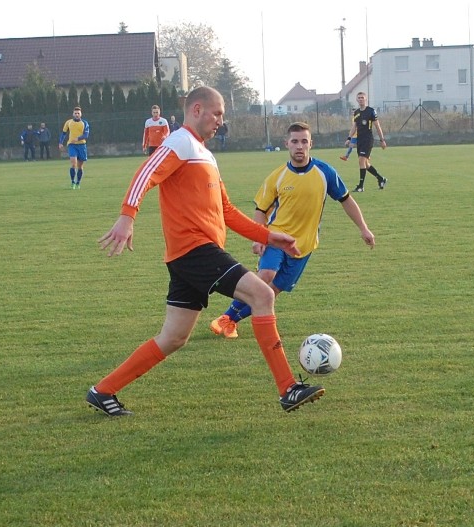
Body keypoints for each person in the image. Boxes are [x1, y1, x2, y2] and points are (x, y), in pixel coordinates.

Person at [87, 87, 324, 417]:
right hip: (196, 250)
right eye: (217, 114)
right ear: (196, 109)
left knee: (173, 338)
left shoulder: (205, 155)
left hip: (188, 257)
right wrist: (127, 217)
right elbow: (144, 173)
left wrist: (269, 236)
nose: (220, 121)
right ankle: (288, 388)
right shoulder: (179, 142)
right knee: (262, 295)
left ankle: (103, 390)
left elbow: (226, 210)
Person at [210, 122, 375, 339]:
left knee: (272, 292)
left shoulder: (325, 172)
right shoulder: (277, 177)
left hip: (304, 247)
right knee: (266, 274)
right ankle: (225, 318)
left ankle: (231, 319)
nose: (299, 146)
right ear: (286, 144)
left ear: (311, 144)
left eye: (304, 141)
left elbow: (346, 200)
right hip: (277, 238)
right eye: (295, 141)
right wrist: (258, 238)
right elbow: (261, 209)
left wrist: (364, 228)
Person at [345, 92, 388, 192]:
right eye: (359, 98)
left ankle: (361, 186)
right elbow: (354, 127)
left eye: (362, 98)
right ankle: (381, 179)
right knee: (366, 164)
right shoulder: (356, 113)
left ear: (366, 99)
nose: (360, 99)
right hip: (360, 140)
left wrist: (382, 140)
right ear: (356, 99)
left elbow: (377, 126)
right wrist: (349, 138)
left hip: (368, 140)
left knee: (361, 160)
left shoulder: (371, 111)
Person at [58, 107, 90, 189]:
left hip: (82, 145)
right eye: (75, 113)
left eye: (78, 113)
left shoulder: (85, 123)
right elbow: (64, 133)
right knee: (73, 164)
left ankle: (78, 183)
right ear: (73, 114)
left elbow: (86, 135)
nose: (77, 115)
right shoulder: (68, 122)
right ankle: (72, 182)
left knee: (80, 166)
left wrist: (78, 138)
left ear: (81, 114)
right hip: (72, 145)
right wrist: (61, 142)